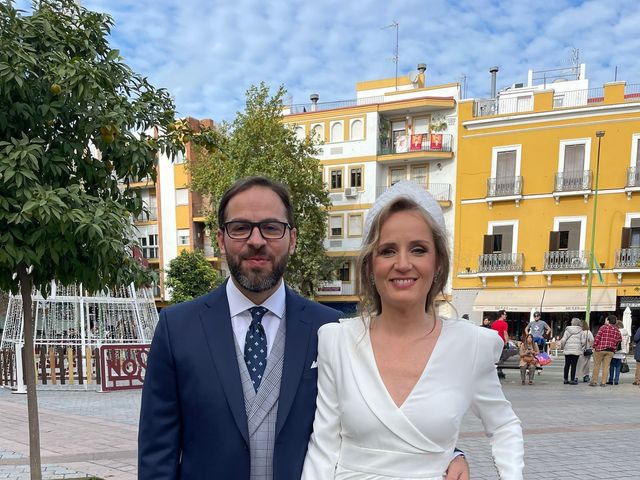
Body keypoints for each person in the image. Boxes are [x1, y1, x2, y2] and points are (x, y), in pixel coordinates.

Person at [138, 177, 469, 480]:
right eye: (240, 228)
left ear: (292, 239)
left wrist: (447, 455)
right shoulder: (177, 328)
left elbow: (377, 419)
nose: (256, 241)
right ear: (221, 239)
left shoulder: (332, 330)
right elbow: (157, 456)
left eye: (271, 227)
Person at [302, 180, 524, 479]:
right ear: (370, 265)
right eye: (388, 251)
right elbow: (323, 447)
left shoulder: (470, 345)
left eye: (418, 250)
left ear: (438, 264)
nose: (403, 264)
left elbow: (504, 426)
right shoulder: (337, 340)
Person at [590, 314, 622, 387]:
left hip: (600, 349)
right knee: (606, 367)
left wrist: (594, 346)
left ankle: (594, 381)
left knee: (596, 366)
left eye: (606, 319)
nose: (605, 321)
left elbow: (597, 337)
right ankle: (603, 382)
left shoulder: (603, 327)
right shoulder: (617, 330)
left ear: (608, 320)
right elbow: (620, 340)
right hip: (610, 351)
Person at [559, 318, 584, 385]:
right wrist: (580, 346)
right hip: (576, 350)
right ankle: (572, 379)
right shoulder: (581, 331)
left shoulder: (567, 330)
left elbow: (563, 340)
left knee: (567, 364)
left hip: (568, 349)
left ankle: (565, 379)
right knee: (574, 365)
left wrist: (562, 346)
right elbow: (583, 341)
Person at [607, 320, 630, 385]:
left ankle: (611, 380)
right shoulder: (626, 333)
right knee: (618, 366)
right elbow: (627, 343)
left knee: (612, 366)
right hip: (622, 351)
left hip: (615, 351)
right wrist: (626, 351)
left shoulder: (615, 331)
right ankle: (616, 380)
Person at [491, 310, 509, 379]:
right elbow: (505, 333)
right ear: (501, 315)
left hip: (495, 342)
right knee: (501, 357)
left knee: (495, 357)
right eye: (505, 314)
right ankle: (500, 371)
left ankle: (494, 371)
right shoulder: (504, 323)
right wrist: (506, 342)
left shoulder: (494, 323)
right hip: (501, 342)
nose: (506, 316)